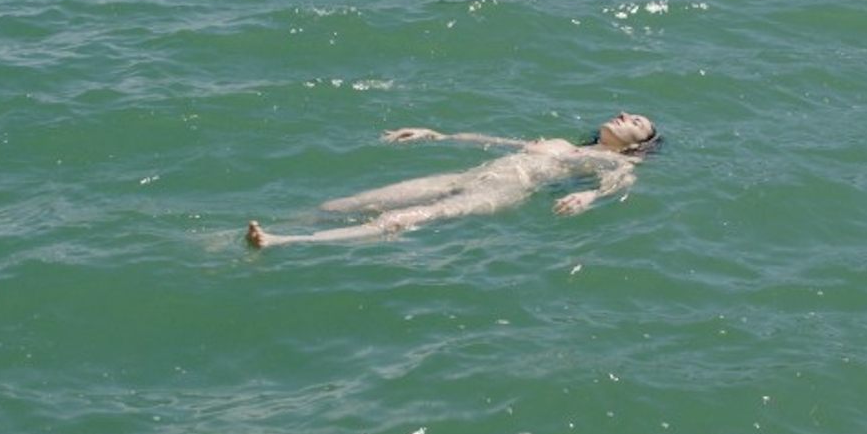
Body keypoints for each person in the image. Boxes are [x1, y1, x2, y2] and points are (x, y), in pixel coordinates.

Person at [246, 112, 659, 247]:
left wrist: (589, 198)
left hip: (504, 192)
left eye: (636, 122)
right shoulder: (560, 143)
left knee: (396, 221)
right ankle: (294, 222)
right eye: (626, 113)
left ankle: (282, 241)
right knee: (347, 204)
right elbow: (499, 142)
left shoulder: (617, 163)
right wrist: (438, 135)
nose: (624, 115)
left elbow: (619, 184)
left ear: (637, 144)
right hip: (464, 177)